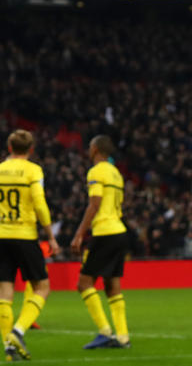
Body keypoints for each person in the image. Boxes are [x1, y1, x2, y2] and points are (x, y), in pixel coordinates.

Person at [0, 129, 60, 362]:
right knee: (42, 286)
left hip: (1, 234)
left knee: (5, 292)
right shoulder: (33, 170)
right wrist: (51, 236)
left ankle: (8, 347)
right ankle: (18, 331)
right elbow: (39, 204)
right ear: (31, 149)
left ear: (9, 148)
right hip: (25, 235)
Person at [70, 135, 130, 350]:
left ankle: (105, 332)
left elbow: (95, 204)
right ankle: (123, 337)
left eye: (89, 147)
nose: (88, 150)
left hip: (105, 232)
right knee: (112, 286)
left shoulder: (96, 171)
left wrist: (79, 234)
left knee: (84, 283)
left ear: (95, 149)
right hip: (119, 231)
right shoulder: (116, 173)